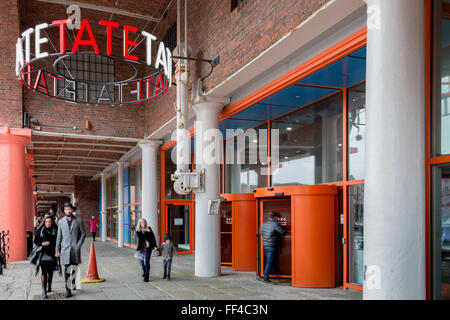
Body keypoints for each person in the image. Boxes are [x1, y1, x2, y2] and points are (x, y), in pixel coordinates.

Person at [55, 202, 86, 298]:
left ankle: (72, 282)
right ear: (64, 211)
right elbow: (59, 237)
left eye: (69, 209)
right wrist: (57, 249)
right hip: (65, 249)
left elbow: (83, 234)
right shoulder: (60, 222)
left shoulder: (78, 220)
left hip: (75, 248)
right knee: (67, 269)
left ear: (72, 210)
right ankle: (68, 290)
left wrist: (79, 245)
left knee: (74, 267)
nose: (68, 210)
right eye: (66, 209)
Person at [33, 215, 58, 299]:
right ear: (44, 222)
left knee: (50, 272)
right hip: (43, 254)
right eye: (46, 222)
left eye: (50, 222)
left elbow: (59, 240)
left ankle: (49, 286)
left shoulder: (56, 230)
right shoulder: (40, 230)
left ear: (52, 222)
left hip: (52, 253)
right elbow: (35, 241)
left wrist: (57, 250)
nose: (48, 223)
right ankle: (44, 291)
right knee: (44, 272)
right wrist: (42, 243)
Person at [261, 212, 286, 283]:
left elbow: (261, 233)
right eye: (277, 217)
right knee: (270, 261)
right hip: (272, 245)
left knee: (272, 260)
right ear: (274, 217)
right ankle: (266, 278)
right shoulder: (275, 224)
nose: (278, 218)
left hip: (265, 245)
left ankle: (275, 272)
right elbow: (283, 232)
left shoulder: (264, 224)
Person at [136, 218, 157, 282]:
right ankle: (144, 270)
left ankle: (147, 275)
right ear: (139, 224)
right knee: (142, 262)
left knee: (147, 261)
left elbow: (153, 238)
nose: (143, 223)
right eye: (142, 222)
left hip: (148, 248)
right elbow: (141, 238)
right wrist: (145, 231)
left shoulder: (149, 229)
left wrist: (155, 246)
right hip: (142, 249)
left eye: (144, 222)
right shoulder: (138, 230)